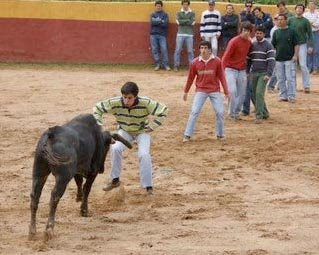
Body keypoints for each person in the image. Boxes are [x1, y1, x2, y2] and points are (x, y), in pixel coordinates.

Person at [93, 82, 168, 194]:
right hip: (124, 131)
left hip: (142, 131)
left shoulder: (146, 102)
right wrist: (99, 125)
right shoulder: (115, 102)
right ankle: (115, 180)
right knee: (115, 148)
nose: (126, 101)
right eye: (124, 97)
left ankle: (148, 186)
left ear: (136, 96)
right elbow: (97, 108)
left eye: (130, 98)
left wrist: (152, 126)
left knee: (144, 154)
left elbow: (164, 110)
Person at [182, 41, 228, 142]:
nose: (203, 50)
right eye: (201, 48)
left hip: (214, 90)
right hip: (201, 90)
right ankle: (187, 134)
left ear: (210, 50)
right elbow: (190, 78)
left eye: (205, 48)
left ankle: (220, 134)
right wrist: (186, 91)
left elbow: (222, 77)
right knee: (194, 111)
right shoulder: (194, 62)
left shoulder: (217, 61)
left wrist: (226, 91)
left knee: (220, 112)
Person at [222, 21, 253, 121]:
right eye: (244, 30)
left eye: (248, 31)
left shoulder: (249, 42)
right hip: (230, 69)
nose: (246, 33)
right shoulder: (234, 41)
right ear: (241, 30)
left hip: (242, 70)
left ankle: (236, 112)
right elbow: (225, 57)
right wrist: (222, 71)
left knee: (242, 93)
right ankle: (232, 113)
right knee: (232, 91)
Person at [247, 25, 275, 123]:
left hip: (263, 73)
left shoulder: (268, 45)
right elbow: (249, 60)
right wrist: (247, 72)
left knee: (259, 93)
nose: (258, 35)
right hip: (254, 73)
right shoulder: (252, 45)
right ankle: (265, 113)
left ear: (264, 34)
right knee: (254, 94)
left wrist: (269, 74)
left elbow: (271, 61)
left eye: (260, 33)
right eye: (257, 33)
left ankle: (259, 116)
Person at [272, 14, 299, 103]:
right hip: (279, 59)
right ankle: (283, 95)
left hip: (289, 59)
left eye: (281, 19)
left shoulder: (292, 31)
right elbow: (273, 45)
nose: (279, 21)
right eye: (278, 20)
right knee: (280, 78)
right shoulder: (276, 32)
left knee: (290, 78)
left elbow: (296, 44)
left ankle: (291, 96)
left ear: (286, 20)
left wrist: (295, 55)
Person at [288, 4, 313, 93]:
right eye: (298, 8)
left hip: (302, 44)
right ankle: (293, 86)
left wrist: (310, 46)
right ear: (295, 9)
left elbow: (310, 34)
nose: (299, 9)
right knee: (292, 66)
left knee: (302, 65)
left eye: (301, 8)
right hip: (291, 45)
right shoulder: (290, 20)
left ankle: (306, 86)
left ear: (303, 11)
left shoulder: (305, 21)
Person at [173, 0, 195, 71]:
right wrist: (187, 20)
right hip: (180, 34)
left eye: (186, 4)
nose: (185, 6)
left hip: (189, 34)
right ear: (182, 5)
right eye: (184, 4)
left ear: (188, 5)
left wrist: (183, 21)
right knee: (178, 50)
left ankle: (191, 66)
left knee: (190, 51)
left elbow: (192, 23)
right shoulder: (178, 12)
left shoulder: (192, 13)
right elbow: (178, 22)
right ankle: (176, 65)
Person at [150, 0, 171, 71]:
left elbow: (165, 24)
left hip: (162, 35)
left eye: (159, 6)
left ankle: (166, 65)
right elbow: (152, 23)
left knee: (164, 49)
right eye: (157, 6)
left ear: (161, 7)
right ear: (155, 6)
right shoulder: (152, 14)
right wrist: (161, 21)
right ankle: (157, 64)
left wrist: (157, 21)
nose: (158, 7)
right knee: (155, 50)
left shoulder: (165, 14)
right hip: (153, 35)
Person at [304, 0, 319, 75]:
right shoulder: (305, 14)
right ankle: (309, 67)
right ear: (308, 6)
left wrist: (310, 23)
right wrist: (313, 23)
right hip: (307, 33)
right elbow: (305, 23)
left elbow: (317, 24)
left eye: (313, 5)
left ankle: (315, 68)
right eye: (310, 5)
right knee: (308, 51)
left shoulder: (318, 14)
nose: (311, 6)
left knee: (316, 51)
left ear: (315, 6)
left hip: (316, 33)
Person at [267, 14, 279, 92]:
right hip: (276, 51)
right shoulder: (274, 30)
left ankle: (279, 86)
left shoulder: (279, 29)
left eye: (279, 19)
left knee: (279, 70)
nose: (277, 21)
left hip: (280, 51)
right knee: (277, 70)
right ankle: (271, 86)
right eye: (276, 19)